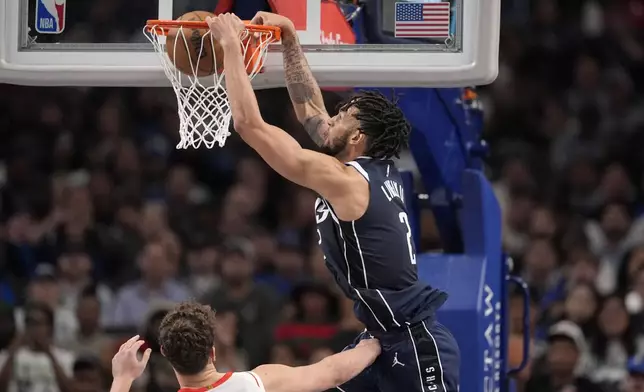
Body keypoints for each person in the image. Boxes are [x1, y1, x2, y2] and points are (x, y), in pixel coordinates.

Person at [205, 12, 459, 392]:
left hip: (414, 342)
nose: (330, 119)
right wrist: (289, 39)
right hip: (381, 337)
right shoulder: (370, 169)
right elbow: (311, 110)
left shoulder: (346, 181)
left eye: (342, 116)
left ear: (356, 136)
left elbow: (249, 126)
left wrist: (229, 47)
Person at [109, 301, 381, 392]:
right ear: (212, 350)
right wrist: (373, 345)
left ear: (165, 354)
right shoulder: (257, 382)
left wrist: (122, 378)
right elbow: (331, 372)